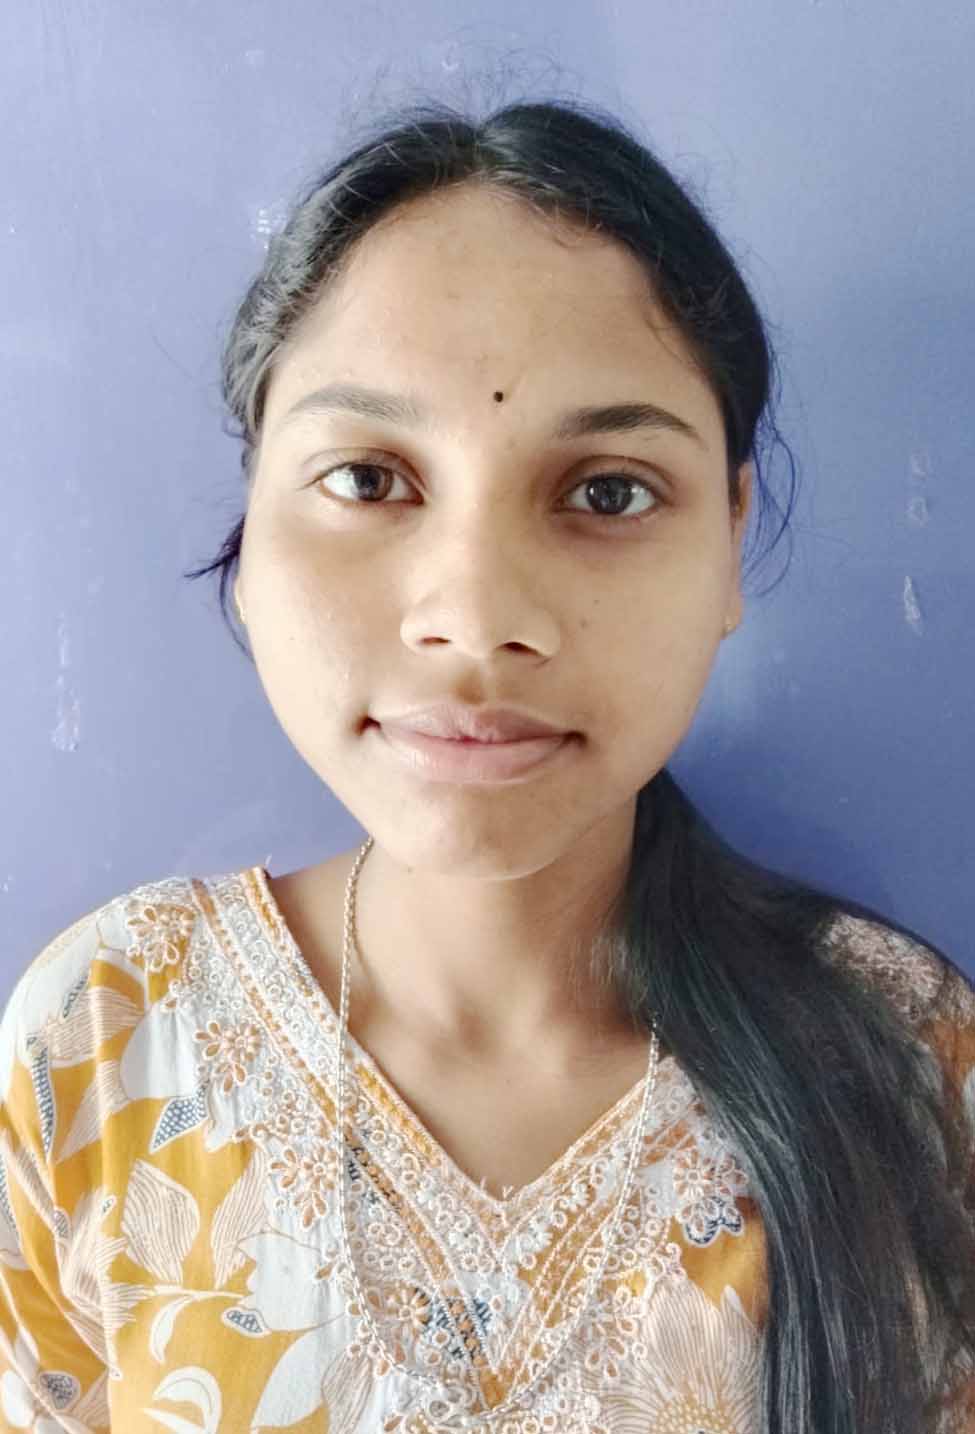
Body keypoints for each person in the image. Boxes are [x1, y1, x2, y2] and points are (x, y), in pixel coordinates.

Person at [1, 96, 973, 1434]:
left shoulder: (906, 1056)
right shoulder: (105, 1042)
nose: (474, 617)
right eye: (369, 479)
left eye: (609, 491)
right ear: (251, 526)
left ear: (731, 540)